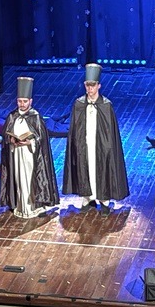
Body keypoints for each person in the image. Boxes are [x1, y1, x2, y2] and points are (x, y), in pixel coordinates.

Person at [63, 64, 129, 216]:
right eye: (87, 85)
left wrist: (107, 146)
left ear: (99, 86)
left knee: (101, 169)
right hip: (84, 144)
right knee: (84, 167)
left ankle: (104, 201)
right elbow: (75, 128)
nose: (90, 89)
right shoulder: (79, 104)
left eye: (92, 86)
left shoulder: (106, 105)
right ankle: (87, 198)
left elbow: (110, 131)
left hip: (101, 145)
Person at [0, 77, 60, 219]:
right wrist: (11, 140)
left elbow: (42, 140)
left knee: (31, 179)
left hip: (31, 155)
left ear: (30, 101)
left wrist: (30, 142)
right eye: (19, 101)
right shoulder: (12, 116)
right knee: (19, 179)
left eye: (25, 101)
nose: (22, 104)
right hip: (16, 154)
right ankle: (20, 205)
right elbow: (5, 136)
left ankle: (35, 206)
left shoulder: (35, 117)